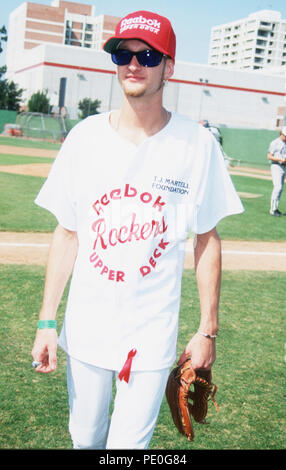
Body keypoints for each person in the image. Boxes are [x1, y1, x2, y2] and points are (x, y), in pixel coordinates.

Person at [31, 10, 244, 449]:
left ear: (168, 66)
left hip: (152, 331)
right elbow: (67, 233)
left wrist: (207, 331)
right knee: (85, 439)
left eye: (147, 55)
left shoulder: (197, 145)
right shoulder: (85, 138)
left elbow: (206, 238)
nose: (133, 64)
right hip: (88, 325)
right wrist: (47, 321)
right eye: (122, 54)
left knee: (130, 449)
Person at [268, 126, 286, 216]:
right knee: (277, 187)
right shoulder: (275, 143)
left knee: (280, 188)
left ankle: (275, 208)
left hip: (284, 167)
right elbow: (269, 156)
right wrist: (281, 159)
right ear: (281, 133)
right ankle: (272, 210)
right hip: (276, 166)